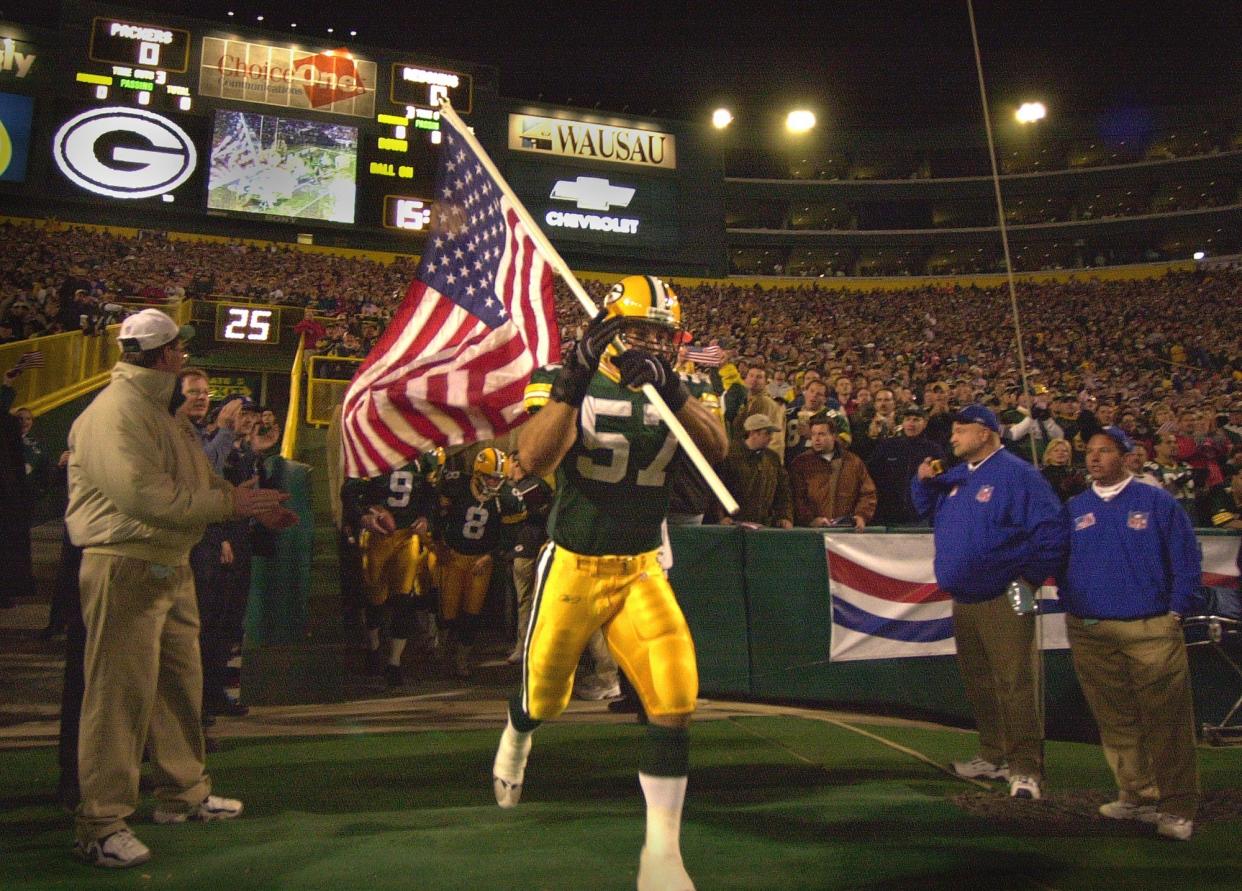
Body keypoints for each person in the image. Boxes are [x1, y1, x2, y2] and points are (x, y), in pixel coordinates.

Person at [490, 275, 728, 891]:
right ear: (610, 330)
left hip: (641, 563)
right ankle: (518, 734)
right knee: (546, 695)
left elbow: (717, 448)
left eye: (661, 333)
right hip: (574, 560)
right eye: (639, 329)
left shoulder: (685, 384)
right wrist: (570, 384)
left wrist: (672, 390)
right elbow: (533, 459)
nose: (652, 341)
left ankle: (661, 853)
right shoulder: (567, 375)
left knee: (675, 696)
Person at [65, 309, 296, 868]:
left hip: (167, 563)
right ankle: (101, 822)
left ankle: (183, 793)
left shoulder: (154, 410)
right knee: (118, 696)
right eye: (179, 348)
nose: (185, 356)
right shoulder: (115, 413)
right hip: (126, 564)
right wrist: (230, 504)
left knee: (177, 685)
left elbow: (195, 483)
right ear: (161, 355)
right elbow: (147, 498)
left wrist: (246, 506)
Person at [911, 404, 1068, 800]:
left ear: (985, 432)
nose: (952, 437)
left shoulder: (1019, 475)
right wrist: (923, 481)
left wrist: (1028, 580)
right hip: (965, 597)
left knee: (1016, 681)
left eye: (960, 430)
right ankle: (994, 754)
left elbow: (1051, 529)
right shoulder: (959, 476)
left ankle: (1026, 768)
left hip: (1009, 593)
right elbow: (925, 510)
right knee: (980, 680)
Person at [1060, 428, 1201, 840]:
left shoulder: (1156, 501)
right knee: (1115, 717)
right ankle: (1136, 794)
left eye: (1104, 451)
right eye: (1089, 450)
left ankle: (1177, 807)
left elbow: (1186, 557)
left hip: (1150, 626)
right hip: (1091, 628)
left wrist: (1176, 608)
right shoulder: (1075, 507)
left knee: (1167, 719)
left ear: (1127, 456)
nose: (1094, 458)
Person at [341, 450, 440, 687]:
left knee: (404, 599)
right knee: (375, 597)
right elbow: (350, 493)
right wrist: (363, 517)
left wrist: (426, 517)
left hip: (407, 536)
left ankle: (394, 662)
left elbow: (431, 496)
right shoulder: (372, 450)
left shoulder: (423, 458)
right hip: (378, 535)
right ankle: (374, 647)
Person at [434, 446, 526, 678]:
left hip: (480, 561)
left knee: (472, 613)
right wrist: (439, 543)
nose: (494, 483)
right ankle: (443, 650)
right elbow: (436, 514)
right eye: (489, 477)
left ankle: (462, 658)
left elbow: (511, 534)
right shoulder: (457, 485)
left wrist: (491, 556)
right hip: (454, 556)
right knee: (448, 612)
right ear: (477, 473)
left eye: (498, 478)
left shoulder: (507, 497)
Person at [788, 414, 876, 528]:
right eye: (813, 434)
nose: (816, 439)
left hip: (846, 530)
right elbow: (796, 497)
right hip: (813, 531)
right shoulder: (801, 463)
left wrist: (861, 516)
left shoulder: (853, 462)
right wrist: (810, 520)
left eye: (822, 434)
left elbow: (868, 493)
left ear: (834, 436)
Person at [866, 406, 946, 526]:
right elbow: (871, 473)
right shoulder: (887, 446)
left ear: (924, 424)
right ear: (902, 422)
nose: (911, 423)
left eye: (916, 419)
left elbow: (940, 478)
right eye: (908, 419)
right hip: (887, 514)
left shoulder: (934, 449)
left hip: (919, 516)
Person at [717, 414, 793, 528]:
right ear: (752, 433)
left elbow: (783, 491)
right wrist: (720, 517)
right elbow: (717, 489)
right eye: (767, 433)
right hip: (734, 526)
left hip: (764, 526)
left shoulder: (772, 458)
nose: (771, 437)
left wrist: (785, 517)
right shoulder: (729, 456)